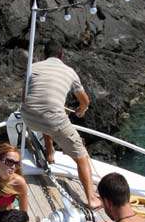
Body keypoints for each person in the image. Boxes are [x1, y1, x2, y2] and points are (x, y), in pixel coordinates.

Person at [20, 41, 100, 209]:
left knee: (48, 120)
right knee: (82, 157)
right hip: (52, 119)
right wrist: (81, 110)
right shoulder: (69, 72)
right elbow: (85, 100)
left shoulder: (32, 67)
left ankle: (50, 152)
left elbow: (25, 97)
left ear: (44, 55)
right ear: (62, 55)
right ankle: (92, 199)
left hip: (27, 117)